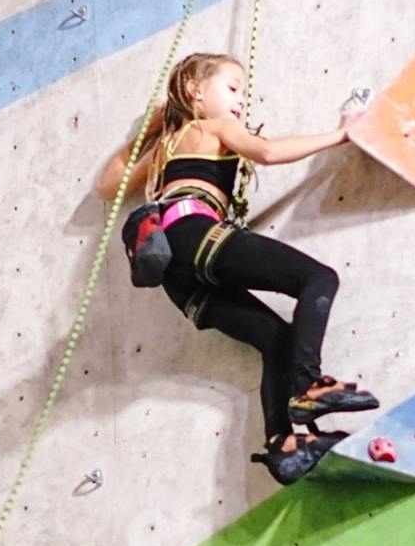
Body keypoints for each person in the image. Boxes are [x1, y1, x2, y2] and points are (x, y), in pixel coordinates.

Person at [96, 52, 379, 485]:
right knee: (318, 279)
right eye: (232, 88)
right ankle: (308, 385)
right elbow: (265, 151)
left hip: (176, 274)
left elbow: (108, 185)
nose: (241, 101)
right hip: (196, 231)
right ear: (194, 90)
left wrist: (153, 127)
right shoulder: (213, 127)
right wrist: (340, 135)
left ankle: (282, 444)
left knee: (276, 340)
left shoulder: (163, 153)